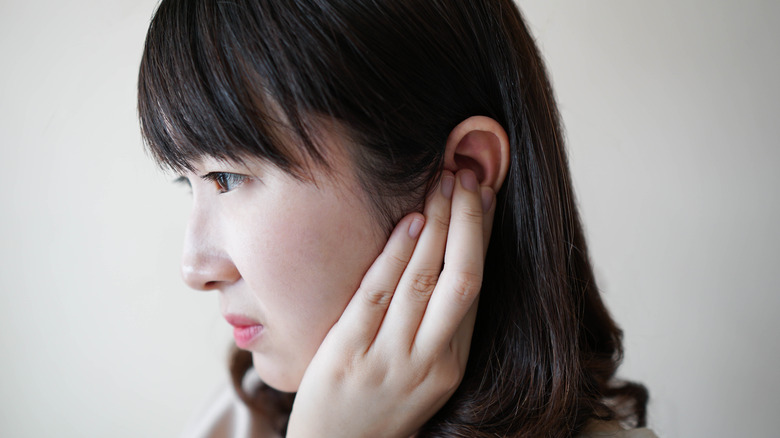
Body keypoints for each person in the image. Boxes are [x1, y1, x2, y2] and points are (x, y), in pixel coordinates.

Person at [138, 1, 656, 437]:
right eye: (190, 182)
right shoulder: (241, 414)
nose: (194, 267)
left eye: (227, 178)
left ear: (463, 173)